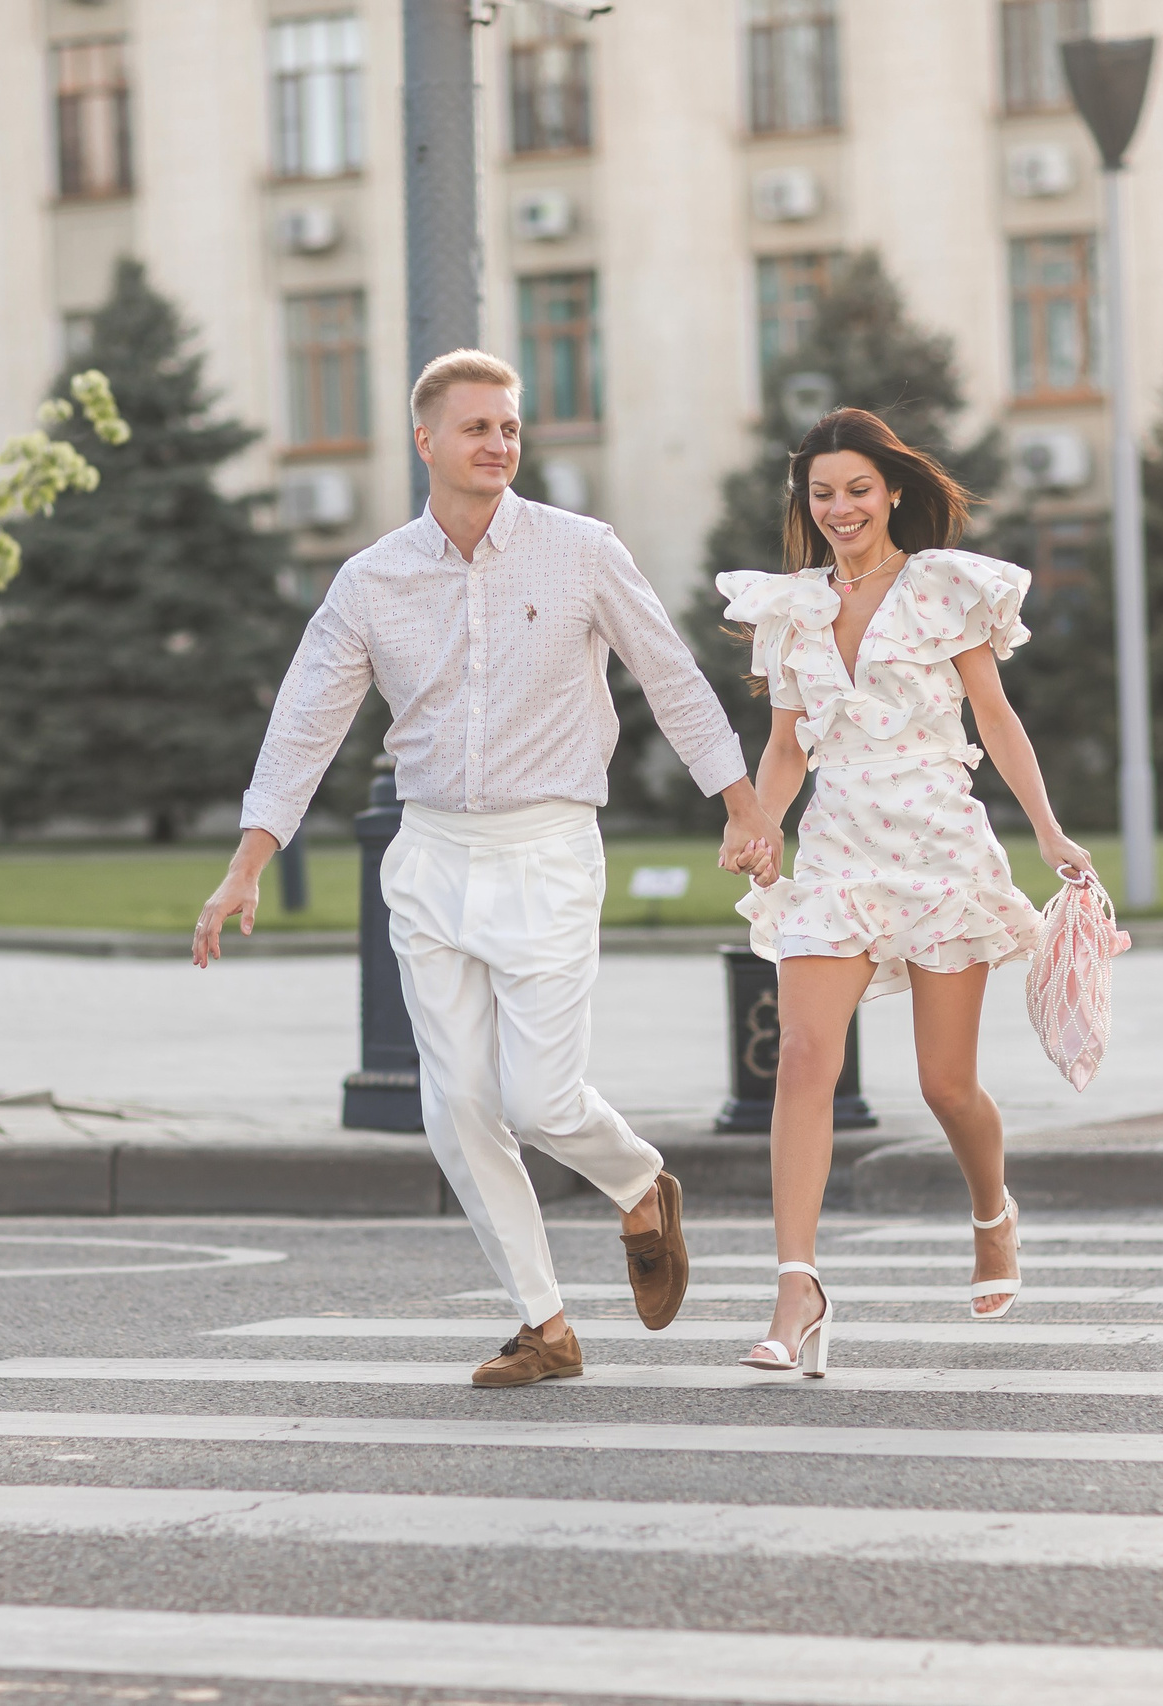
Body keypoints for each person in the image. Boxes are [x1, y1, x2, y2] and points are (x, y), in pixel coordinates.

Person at [196, 349, 781, 1388]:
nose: (499, 444)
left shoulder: (580, 550)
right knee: (456, 1104)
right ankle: (544, 1324)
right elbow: (304, 725)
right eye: (477, 427)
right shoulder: (372, 579)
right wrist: (247, 864)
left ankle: (641, 1184)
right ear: (425, 441)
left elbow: (672, 678)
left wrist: (740, 804)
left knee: (542, 1097)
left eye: (509, 426)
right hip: (430, 855)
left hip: (548, 849)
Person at [716, 406, 1095, 1377]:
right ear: (805, 502)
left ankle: (992, 1210)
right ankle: (796, 1286)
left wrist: (1047, 830)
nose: (840, 507)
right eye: (822, 493)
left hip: (935, 844)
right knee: (802, 1057)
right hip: (839, 846)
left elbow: (997, 717)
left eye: (856, 489)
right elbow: (787, 747)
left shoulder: (938, 589)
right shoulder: (790, 606)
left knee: (944, 1082)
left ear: (890, 491)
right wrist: (757, 823)